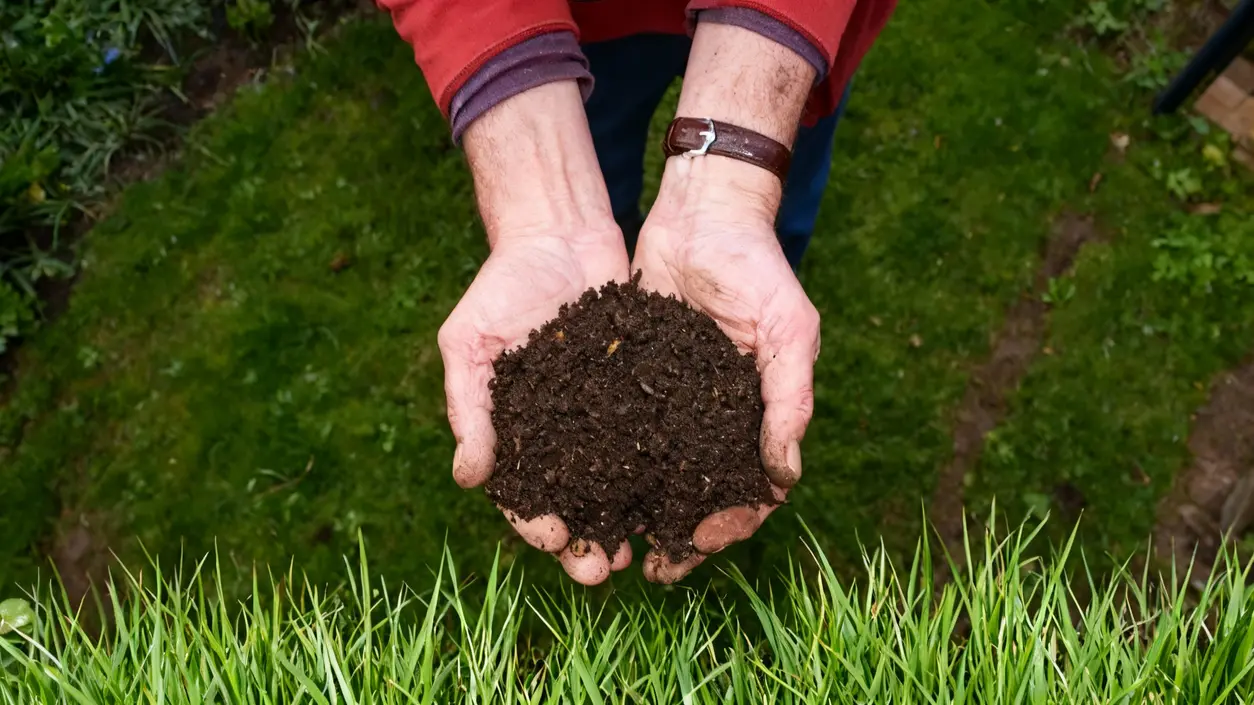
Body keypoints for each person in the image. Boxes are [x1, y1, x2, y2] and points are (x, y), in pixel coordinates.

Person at [379, 0, 896, 585]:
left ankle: (762, 236)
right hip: (576, 20)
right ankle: (610, 218)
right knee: (603, 149)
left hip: (799, 25)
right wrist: (541, 197)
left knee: (776, 214)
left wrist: (732, 189)